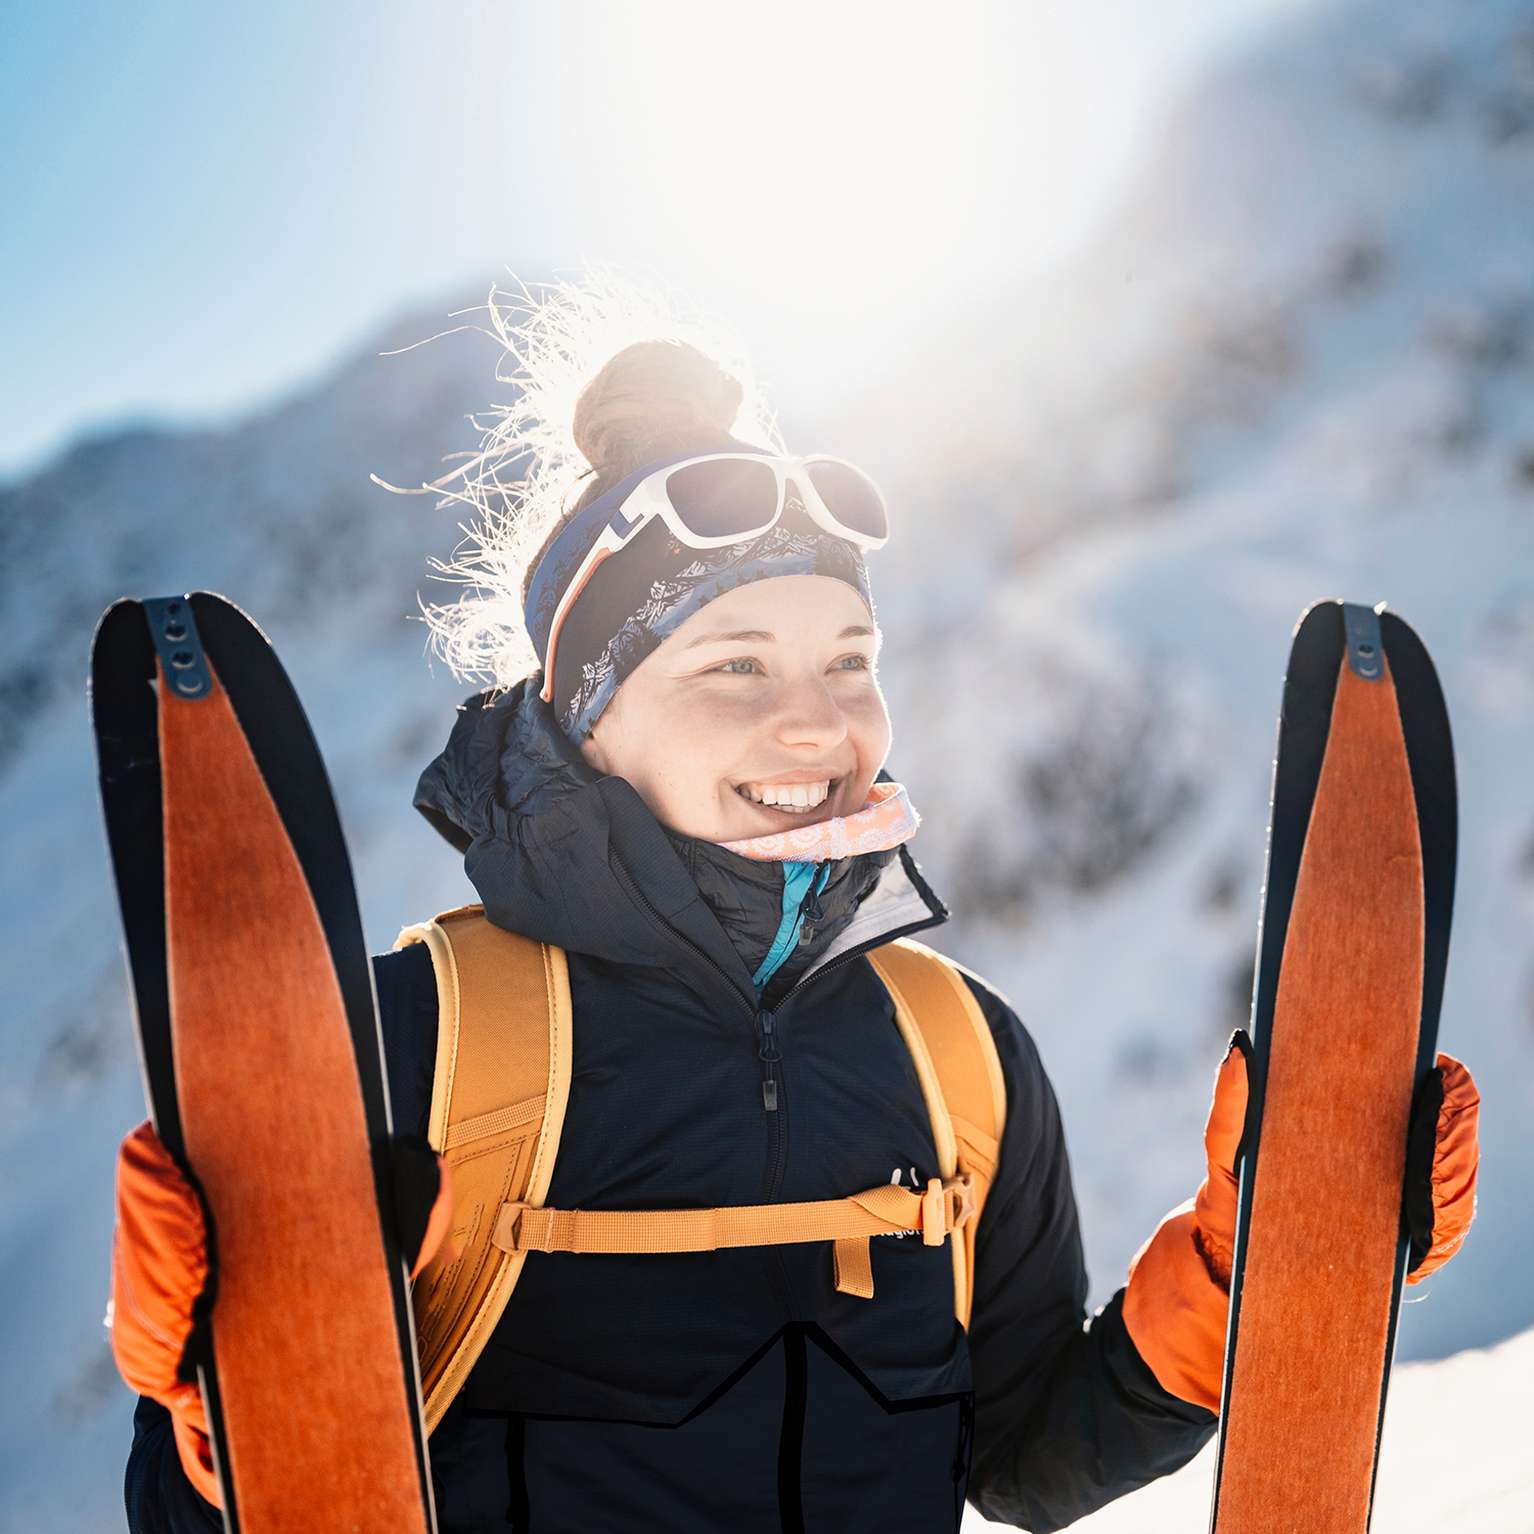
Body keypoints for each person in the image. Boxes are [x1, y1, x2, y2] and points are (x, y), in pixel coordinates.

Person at [107, 289, 1481, 1533]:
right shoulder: (411, 1047)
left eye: (849, 658)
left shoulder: (957, 1057)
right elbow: (262, 1499)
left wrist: (1240, 1275)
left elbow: (1019, 1453)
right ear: (587, 717)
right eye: (735, 665)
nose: (818, 721)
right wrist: (220, 1418)